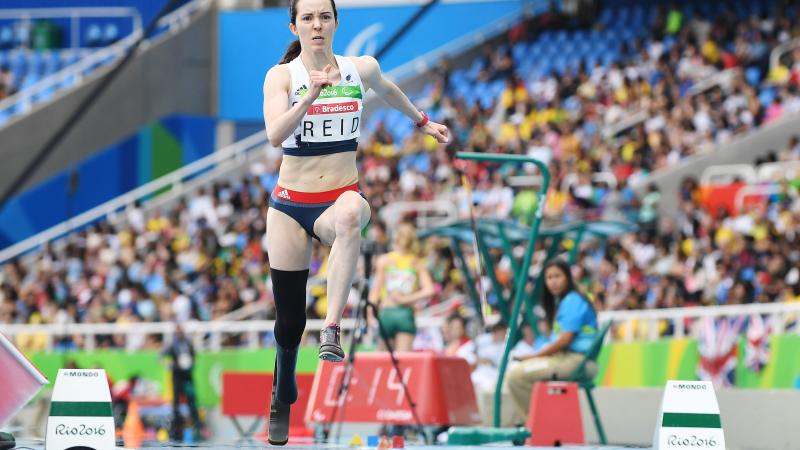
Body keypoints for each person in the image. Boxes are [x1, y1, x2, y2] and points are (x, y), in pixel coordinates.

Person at [261, 0, 449, 444]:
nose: (317, 24)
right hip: (289, 205)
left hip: (337, 199)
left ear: (336, 23)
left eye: (324, 16)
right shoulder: (281, 76)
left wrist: (423, 121)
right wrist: (311, 95)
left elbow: (388, 89)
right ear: (295, 26)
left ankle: (332, 327)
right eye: (307, 18)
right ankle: (282, 389)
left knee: (352, 213)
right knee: (288, 324)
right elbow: (273, 136)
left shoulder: (359, 68)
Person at [506, 259, 598, 421]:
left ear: (568, 278)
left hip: (576, 362)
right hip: (565, 360)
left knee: (516, 376)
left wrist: (535, 357)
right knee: (517, 371)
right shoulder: (563, 302)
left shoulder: (572, 300)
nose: (553, 281)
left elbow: (565, 340)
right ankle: (535, 424)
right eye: (549, 277)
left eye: (557, 276)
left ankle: (538, 426)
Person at [368, 222, 435, 351]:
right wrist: (406, 299)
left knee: (383, 361)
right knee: (403, 361)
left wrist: (370, 314)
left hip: (387, 311)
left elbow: (375, 291)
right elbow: (429, 290)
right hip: (405, 312)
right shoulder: (416, 262)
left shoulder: (385, 260)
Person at [161, 324, 202, 441]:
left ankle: (196, 424)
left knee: (191, 399)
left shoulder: (188, 344)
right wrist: (170, 365)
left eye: (181, 331)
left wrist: (190, 364)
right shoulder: (172, 345)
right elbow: (161, 356)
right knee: (176, 400)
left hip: (187, 376)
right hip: (177, 376)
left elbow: (194, 357)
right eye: (178, 331)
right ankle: (177, 424)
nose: (180, 333)